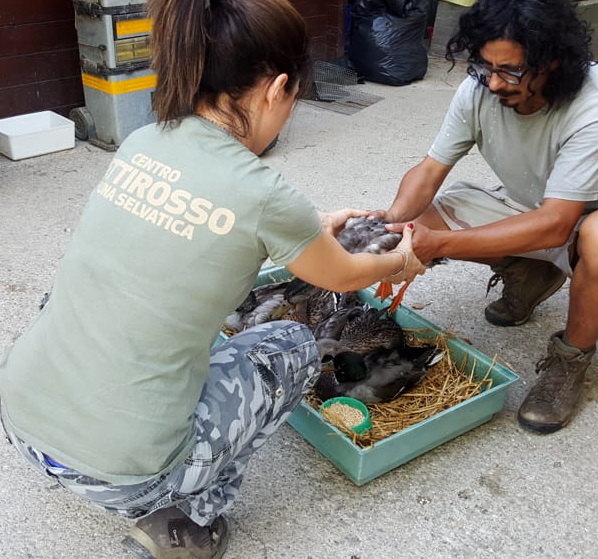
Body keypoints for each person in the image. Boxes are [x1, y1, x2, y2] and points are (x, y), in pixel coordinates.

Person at [0, 1, 426, 558]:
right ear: (277, 89)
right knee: (292, 345)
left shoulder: (144, 142)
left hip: (20, 419)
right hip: (123, 473)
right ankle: (188, 522)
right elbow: (342, 274)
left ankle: (77, 440)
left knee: (80, 293)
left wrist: (311, 227)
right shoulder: (264, 193)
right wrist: (402, 260)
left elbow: (210, 223)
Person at [371, 0, 598, 436]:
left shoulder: (589, 106)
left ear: (552, 62)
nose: (493, 82)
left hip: (581, 216)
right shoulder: (479, 88)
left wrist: (439, 247)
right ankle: (529, 272)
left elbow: (556, 223)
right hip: (532, 204)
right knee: (425, 222)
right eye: (484, 66)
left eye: (510, 70)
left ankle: (571, 360)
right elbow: (430, 170)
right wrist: (393, 222)